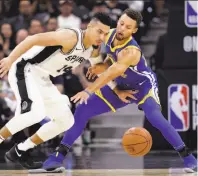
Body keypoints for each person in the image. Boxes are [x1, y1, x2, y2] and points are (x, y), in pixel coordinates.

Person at [30, 8, 197, 173]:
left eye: (128, 27)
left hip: (142, 86)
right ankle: (57, 157)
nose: (122, 29)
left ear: (134, 30)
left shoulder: (131, 52)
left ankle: (189, 158)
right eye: (121, 24)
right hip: (120, 84)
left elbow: (110, 73)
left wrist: (89, 90)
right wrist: (100, 66)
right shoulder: (107, 34)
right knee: (82, 110)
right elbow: (98, 58)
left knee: (155, 117)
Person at [0, 13, 116, 171]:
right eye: (99, 31)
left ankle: (20, 150)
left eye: (105, 33)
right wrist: (10, 59)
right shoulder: (69, 36)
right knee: (35, 113)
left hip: (42, 77)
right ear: (89, 27)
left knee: (66, 120)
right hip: (25, 69)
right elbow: (32, 39)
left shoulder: (93, 49)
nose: (102, 37)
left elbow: (102, 72)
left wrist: (117, 90)